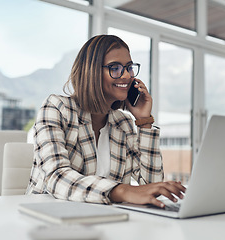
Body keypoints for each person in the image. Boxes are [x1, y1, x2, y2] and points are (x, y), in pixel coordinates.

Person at [26, 34, 186, 208]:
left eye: (129, 67)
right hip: (48, 216)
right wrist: (123, 191)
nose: (126, 75)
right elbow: (56, 178)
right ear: (91, 72)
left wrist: (144, 121)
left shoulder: (123, 123)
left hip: (103, 219)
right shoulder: (57, 108)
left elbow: (150, 185)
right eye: (115, 67)